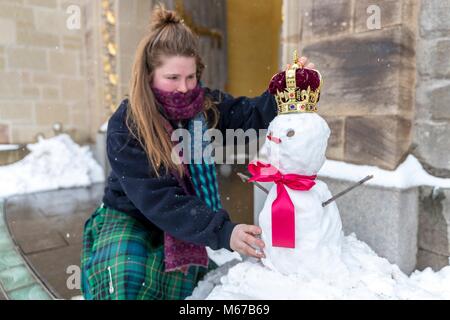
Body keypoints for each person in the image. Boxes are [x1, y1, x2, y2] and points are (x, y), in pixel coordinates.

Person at [80, 5, 315, 300]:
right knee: (127, 276)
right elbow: (160, 200)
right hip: (133, 215)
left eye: (191, 77)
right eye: (173, 78)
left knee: (187, 290)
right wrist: (223, 231)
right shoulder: (126, 124)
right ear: (149, 76)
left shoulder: (202, 105)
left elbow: (248, 114)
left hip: (182, 217)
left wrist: (285, 90)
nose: (184, 88)